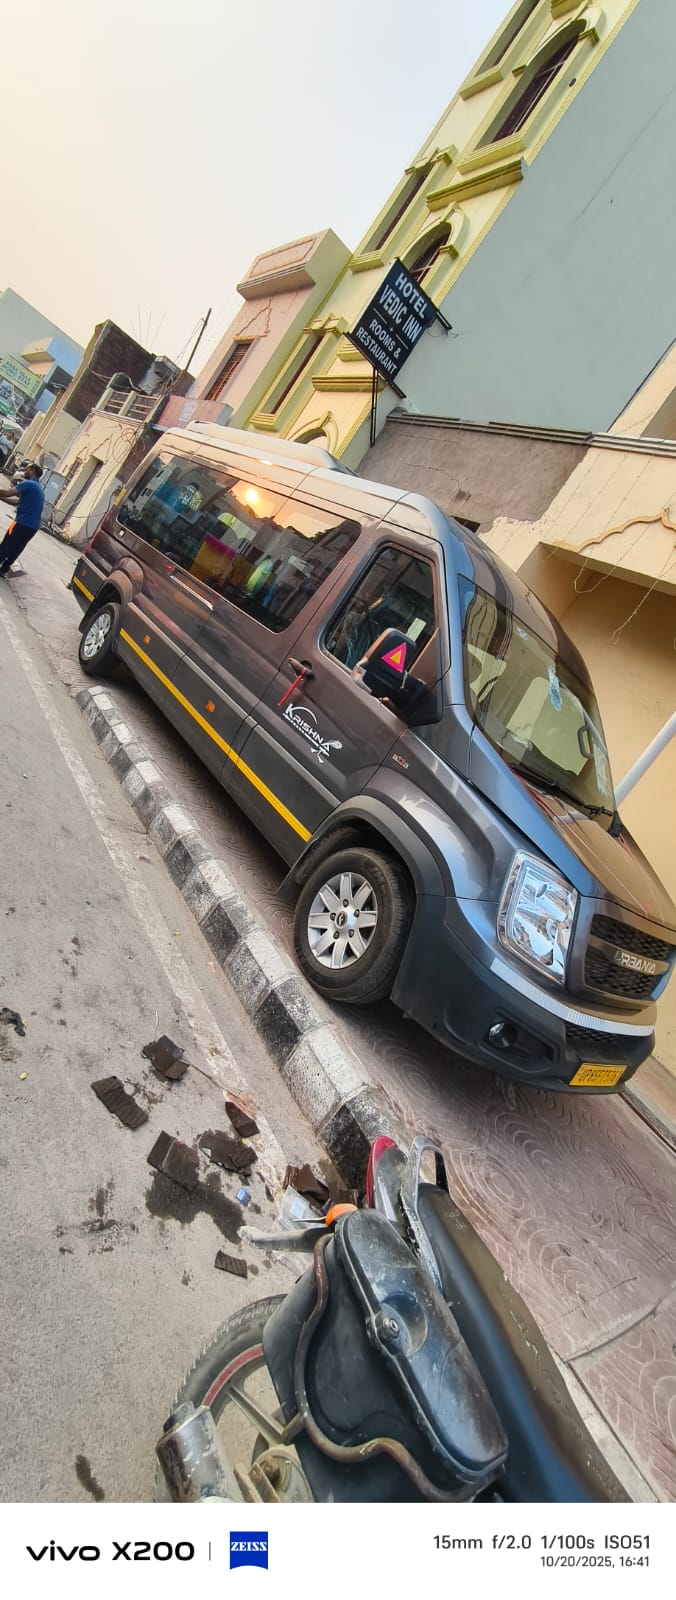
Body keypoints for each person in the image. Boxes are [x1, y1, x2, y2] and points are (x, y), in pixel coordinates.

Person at [0, 464, 45, 575]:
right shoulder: (38, 488)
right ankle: (4, 570)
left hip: (22, 522)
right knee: (17, 547)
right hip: (33, 527)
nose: (25, 471)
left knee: (7, 543)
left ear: (32, 471)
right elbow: (17, 502)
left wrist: (3, 495)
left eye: (27, 469)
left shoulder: (29, 484)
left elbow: (8, 493)